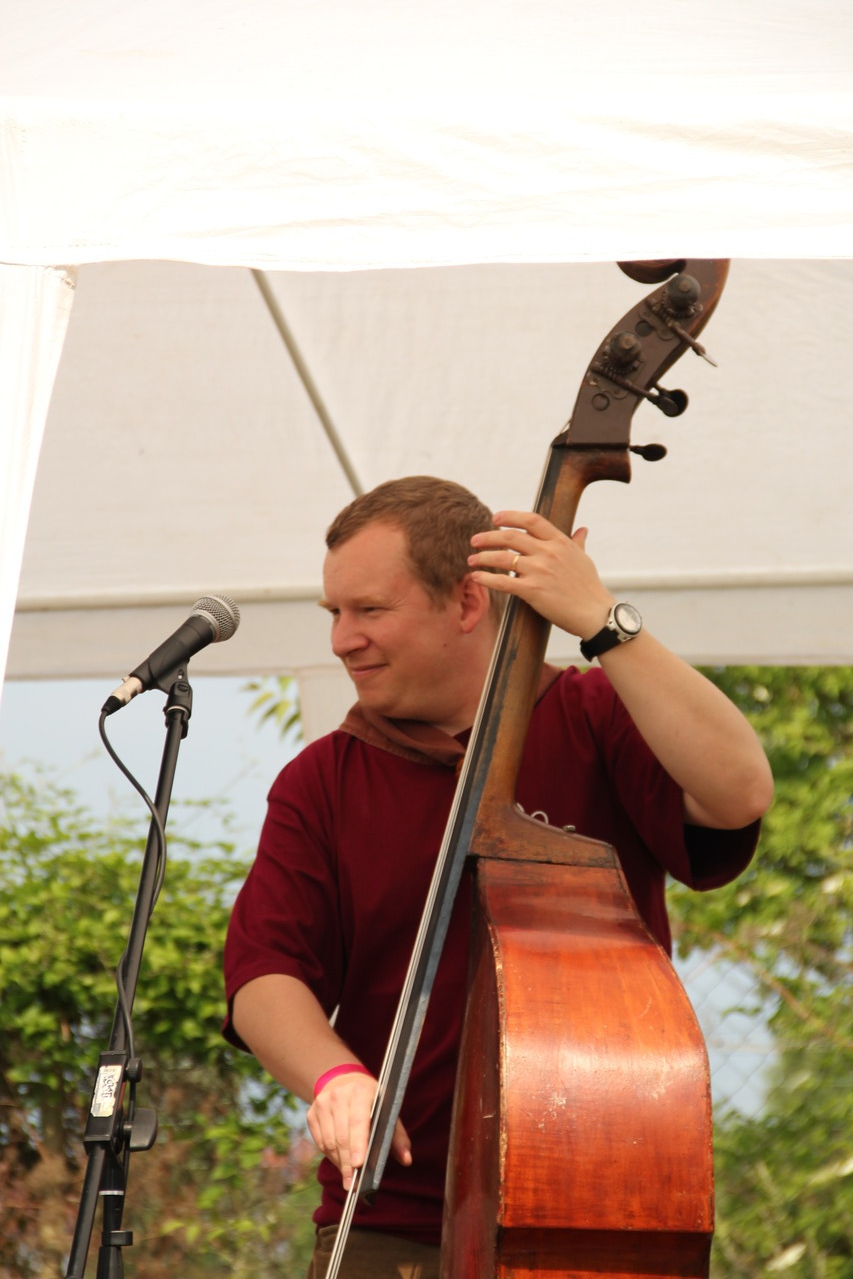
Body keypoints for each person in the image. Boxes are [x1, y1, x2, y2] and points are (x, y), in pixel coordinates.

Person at [223, 475, 773, 1279]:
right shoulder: (322, 780)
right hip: (389, 1222)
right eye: (333, 613)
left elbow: (739, 792)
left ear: (467, 603)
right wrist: (336, 1076)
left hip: (599, 1204)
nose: (342, 639)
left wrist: (603, 621)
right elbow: (263, 976)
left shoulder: (596, 716)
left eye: (369, 610)